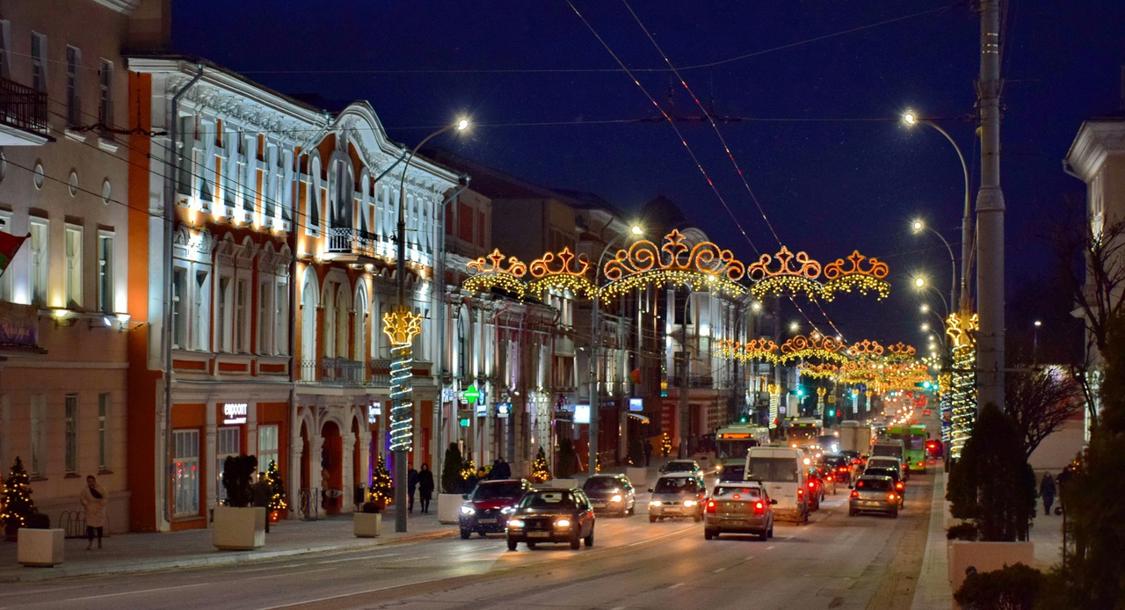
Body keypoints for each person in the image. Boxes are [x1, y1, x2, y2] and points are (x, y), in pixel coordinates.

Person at [80, 475, 107, 550]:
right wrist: (86, 504)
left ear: (94, 481)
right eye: (89, 481)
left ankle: (99, 541)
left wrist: (101, 504)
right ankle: (90, 542)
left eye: (92, 481)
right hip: (90, 510)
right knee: (90, 527)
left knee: (99, 526)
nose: (90, 483)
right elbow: (82, 498)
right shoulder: (85, 490)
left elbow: (105, 498)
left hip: (99, 509)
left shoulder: (101, 488)